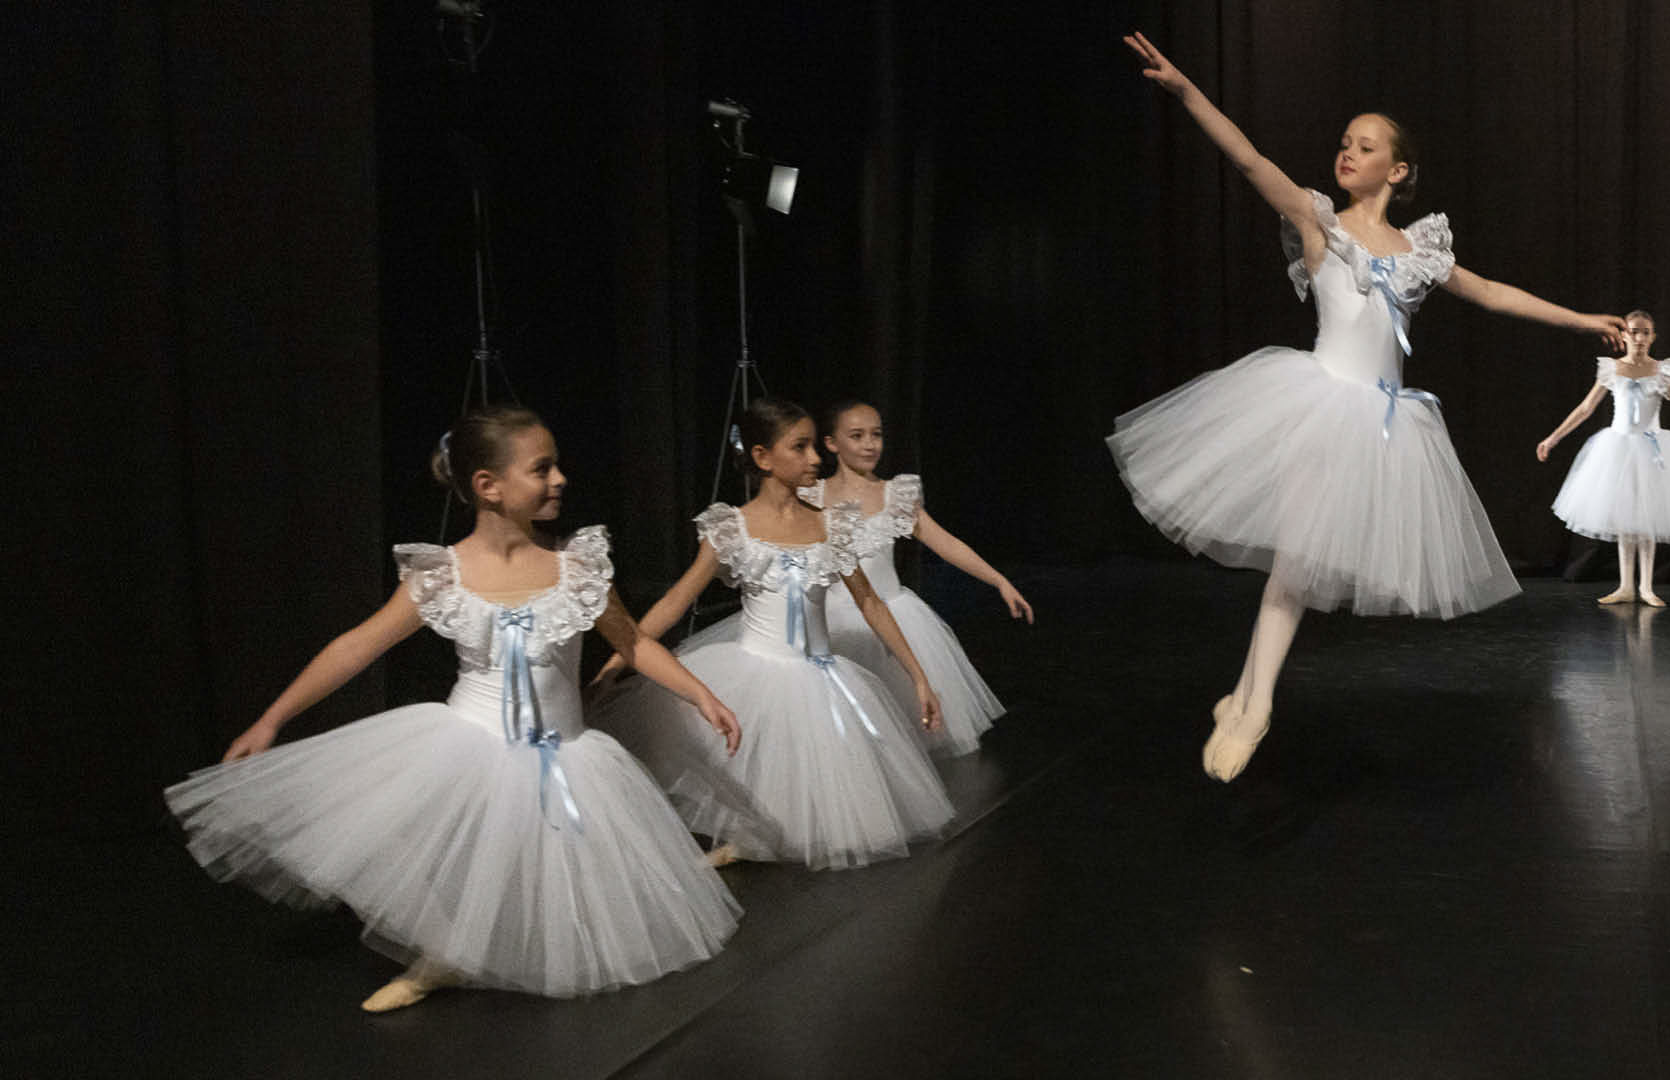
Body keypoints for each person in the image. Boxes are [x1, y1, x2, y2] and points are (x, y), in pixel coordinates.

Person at [1107, 32, 1628, 782]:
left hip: (1383, 423)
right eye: (1345, 143)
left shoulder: (1421, 252)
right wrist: (1187, 91)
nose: (1348, 153)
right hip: (1316, 405)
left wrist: (1580, 320)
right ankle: (1254, 707)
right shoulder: (1320, 223)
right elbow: (1250, 161)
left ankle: (1242, 699)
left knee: (1302, 569)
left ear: (1398, 169)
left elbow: (1491, 293)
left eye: (1366, 146)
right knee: (1295, 565)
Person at [166, 406, 743, 1011]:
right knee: (470, 853)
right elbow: (358, 646)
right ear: (488, 486)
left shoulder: (576, 568)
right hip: (472, 742)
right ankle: (444, 954)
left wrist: (699, 692)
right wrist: (272, 718)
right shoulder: (444, 575)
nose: (560, 480)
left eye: (556, 466)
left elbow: (633, 642)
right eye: (541, 468)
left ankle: (539, 945)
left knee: (558, 863)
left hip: (566, 749)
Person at [595, 399, 956, 870]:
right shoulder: (733, 528)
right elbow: (677, 599)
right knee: (754, 758)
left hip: (822, 672)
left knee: (825, 779)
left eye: (814, 447)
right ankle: (748, 833)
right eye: (800, 447)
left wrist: (918, 675)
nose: (815, 459)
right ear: (763, 457)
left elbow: (870, 601)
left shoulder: (831, 522)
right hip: (758, 667)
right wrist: (618, 659)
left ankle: (773, 837)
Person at [680, 399, 1032, 756]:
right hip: (823, 620)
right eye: (857, 436)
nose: (869, 444)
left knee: (885, 728)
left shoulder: (895, 495)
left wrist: (998, 580)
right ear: (832, 443)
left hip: (886, 613)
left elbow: (945, 544)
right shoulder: (810, 496)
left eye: (876, 435)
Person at [1537, 310, 1670, 605]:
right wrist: (1553, 438)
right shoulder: (1612, 369)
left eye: (1645, 332)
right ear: (1624, 335)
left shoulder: (1663, 371)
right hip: (1617, 449)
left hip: (1653, 450)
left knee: (1647, 517)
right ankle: (1626, 586)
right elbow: (1586, 408)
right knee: (1626, 519)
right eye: (1634, 332)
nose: (1639, 338)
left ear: (1653, 337)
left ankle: (1646, 587)